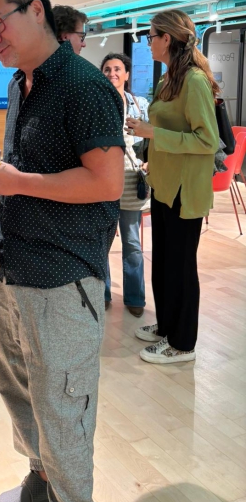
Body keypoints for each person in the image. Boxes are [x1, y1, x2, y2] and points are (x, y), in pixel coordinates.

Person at [0, 0, 124, 502]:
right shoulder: (21, 84)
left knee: (64, 409)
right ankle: (41, 481)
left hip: (63, 280)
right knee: (19, 389)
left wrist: (18, 182)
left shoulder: (83, 86)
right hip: (14, 270)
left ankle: (69, 497)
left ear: (36, 10)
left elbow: (106, 182)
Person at [127, 9, 219, 365]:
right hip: (164, 185)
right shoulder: (170, 79)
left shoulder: (194, 80)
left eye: (151, 36)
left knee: (181, 267)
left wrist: (153, 133)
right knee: (164, 263)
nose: (148, 43)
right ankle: (167, 326)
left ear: (167, 38)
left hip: (185, 190)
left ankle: (182, 344)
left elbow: (206, 141)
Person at [101, 52, 150, 317]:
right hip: (102, 182)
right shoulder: (96, 103)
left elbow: (151, 140)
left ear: (127, 74)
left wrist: (149, 162)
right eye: (107, 69)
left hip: (131, 181)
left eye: (117, 69)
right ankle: (103, 293)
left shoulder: (139, 105)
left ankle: (135, 297)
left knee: (132, 243)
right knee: (102, 243)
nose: (112, 73)